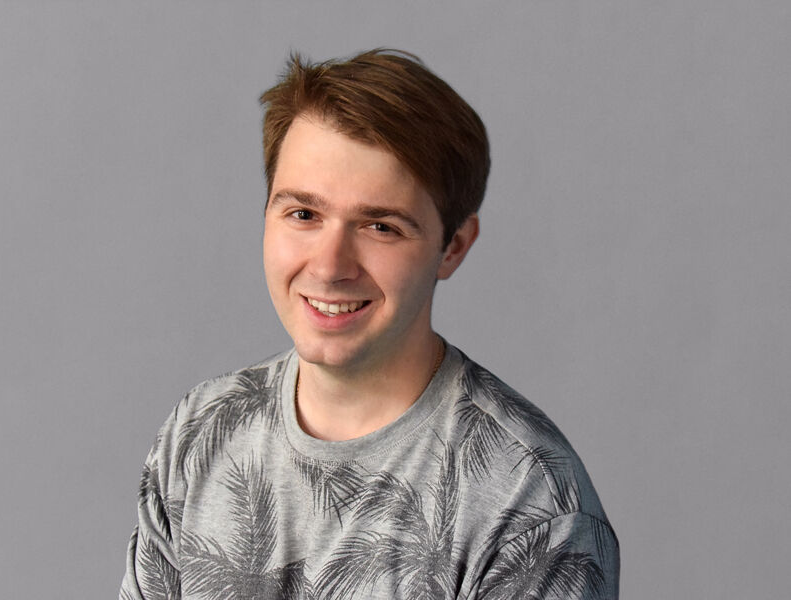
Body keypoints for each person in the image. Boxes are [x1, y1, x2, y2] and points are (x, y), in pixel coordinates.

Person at [120, 49, 619, 599]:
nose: (330, 266)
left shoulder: (529, 500)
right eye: (303, 214)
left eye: (381, 227)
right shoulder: (199, 432)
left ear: (453, 246)